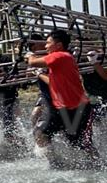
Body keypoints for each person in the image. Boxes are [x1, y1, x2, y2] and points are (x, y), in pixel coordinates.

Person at [25, 29, 98, 162]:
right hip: (60, 109)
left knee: (80, 144)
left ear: (58, 45)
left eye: (48, 43)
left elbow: (32, 62)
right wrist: (39, 73)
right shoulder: (59, 60)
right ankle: (55, 163)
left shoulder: (60, 56)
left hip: (79, 109)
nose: (45, 46)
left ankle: (98, 165)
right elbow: (53, 82)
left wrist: (29, 54)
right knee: (40, 133)